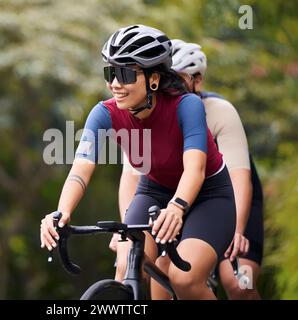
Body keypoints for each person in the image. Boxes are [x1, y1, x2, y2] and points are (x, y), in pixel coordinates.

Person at [40, 25, 236, 299]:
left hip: (208, 195)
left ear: (154, 79)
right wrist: (61, 212)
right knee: (126, 266)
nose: (114, 84)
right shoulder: (103, 113)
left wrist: (177, 208)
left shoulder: (186, 105)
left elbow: (196, 169)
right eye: (110, 73)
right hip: (154, 191)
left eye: (125, 74)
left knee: (184, 279)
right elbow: (80, 170)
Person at [112, 39, 263, 299]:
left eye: (178, 81)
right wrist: (124, 228)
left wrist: (237, 230)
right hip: (171, 196)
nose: (169, 89)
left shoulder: (220, 112)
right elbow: (132, 178)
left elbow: (240, 178)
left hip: (227, 199)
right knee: (153, 269)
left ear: (197, 81)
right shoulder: (145, 114)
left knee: (239, 283)